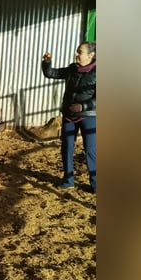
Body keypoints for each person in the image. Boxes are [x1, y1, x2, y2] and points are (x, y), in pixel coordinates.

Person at [41, 42, 96, 192]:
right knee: (66, 148)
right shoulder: (73, 69)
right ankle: (68, 180)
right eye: (77, 51)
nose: (76, 54)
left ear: (91, 55)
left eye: (80, 52)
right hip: (69, 115)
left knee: (91, 150)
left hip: (88, 116)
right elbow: (51, 73)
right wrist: (47, 62)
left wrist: (83, 106)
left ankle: (96, 184)